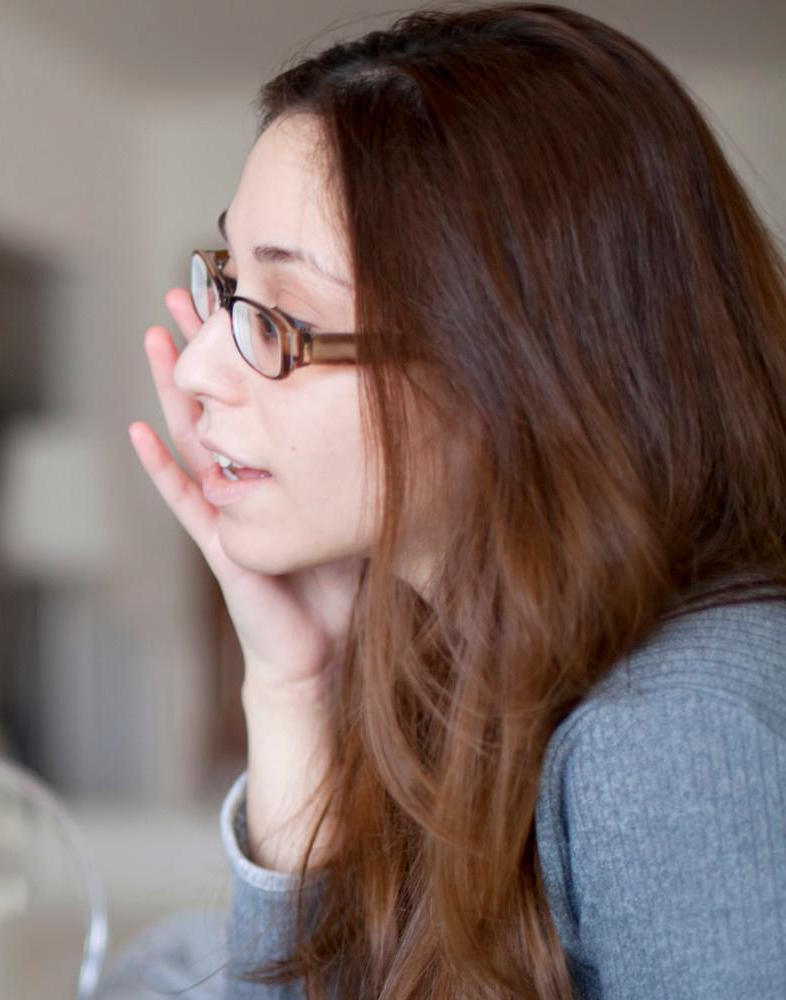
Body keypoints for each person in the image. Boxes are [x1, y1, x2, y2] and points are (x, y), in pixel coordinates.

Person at [126, 5, 786, 997]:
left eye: (280, 317)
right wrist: (292, 686)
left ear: (511, 365)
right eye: (226, 291)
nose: (199, 366)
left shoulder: (667, 737)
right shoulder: (458, 663)